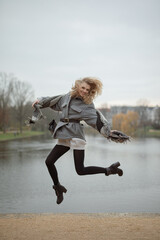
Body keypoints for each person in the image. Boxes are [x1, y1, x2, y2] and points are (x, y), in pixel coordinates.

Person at [31, 77, 128, 204]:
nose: (84, 91)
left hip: (76, 135)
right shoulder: (66, 97)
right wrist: (39, 101)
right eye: (82, 88)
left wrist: (108, 132)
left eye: (87, 90)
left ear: (90, 92)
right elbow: (51, 100)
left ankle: (109, 170)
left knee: (80, 170)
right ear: (77, 86)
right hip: (64, 133)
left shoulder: (87, 105)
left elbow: (96, 121)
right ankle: (58, 188)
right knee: (49, 161)